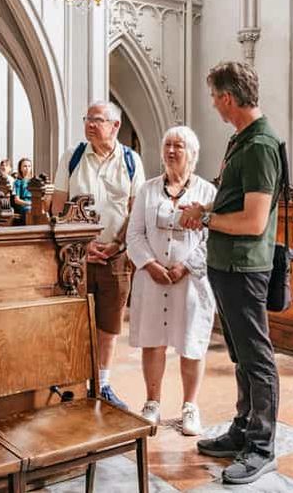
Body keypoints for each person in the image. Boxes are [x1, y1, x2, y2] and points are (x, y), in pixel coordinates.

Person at [180, 61, 282, 484]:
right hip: (227, 264)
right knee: (241, 353)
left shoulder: (260, 145)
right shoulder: (241, 140)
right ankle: (243, 428)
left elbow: (254, 222)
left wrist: (205, 221)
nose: (213, 104)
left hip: (244, 267)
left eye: (214, 96)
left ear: (227, 97)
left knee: (256, 357)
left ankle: (262, 446)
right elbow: (233, 202)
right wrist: (207, 209)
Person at [51, 100, 146, 410]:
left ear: (115, 126)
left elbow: (137, 211)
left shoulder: (132, 161)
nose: (90, 124)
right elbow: (57, 206)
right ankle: (73, 384)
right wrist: (82, 243)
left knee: (109, 322)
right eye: (87, 119)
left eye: (97, 120)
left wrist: (118, 244)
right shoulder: (73, 157)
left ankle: (102, 383)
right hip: (74, 256)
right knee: (74, 321)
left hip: (115, 256)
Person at [126, 126, 217, 436]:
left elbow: (212, 238)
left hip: (190, 282)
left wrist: (185, 266)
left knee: (190, 342)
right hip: (152, 280)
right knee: (153, 341)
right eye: (167, 145)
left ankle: (190, 407)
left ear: (192, 154)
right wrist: (150, 264)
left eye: (179, 146)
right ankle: (152, 402)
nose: (171, 151)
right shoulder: (148, 190)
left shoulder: (206, 192)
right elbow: (134, 233)